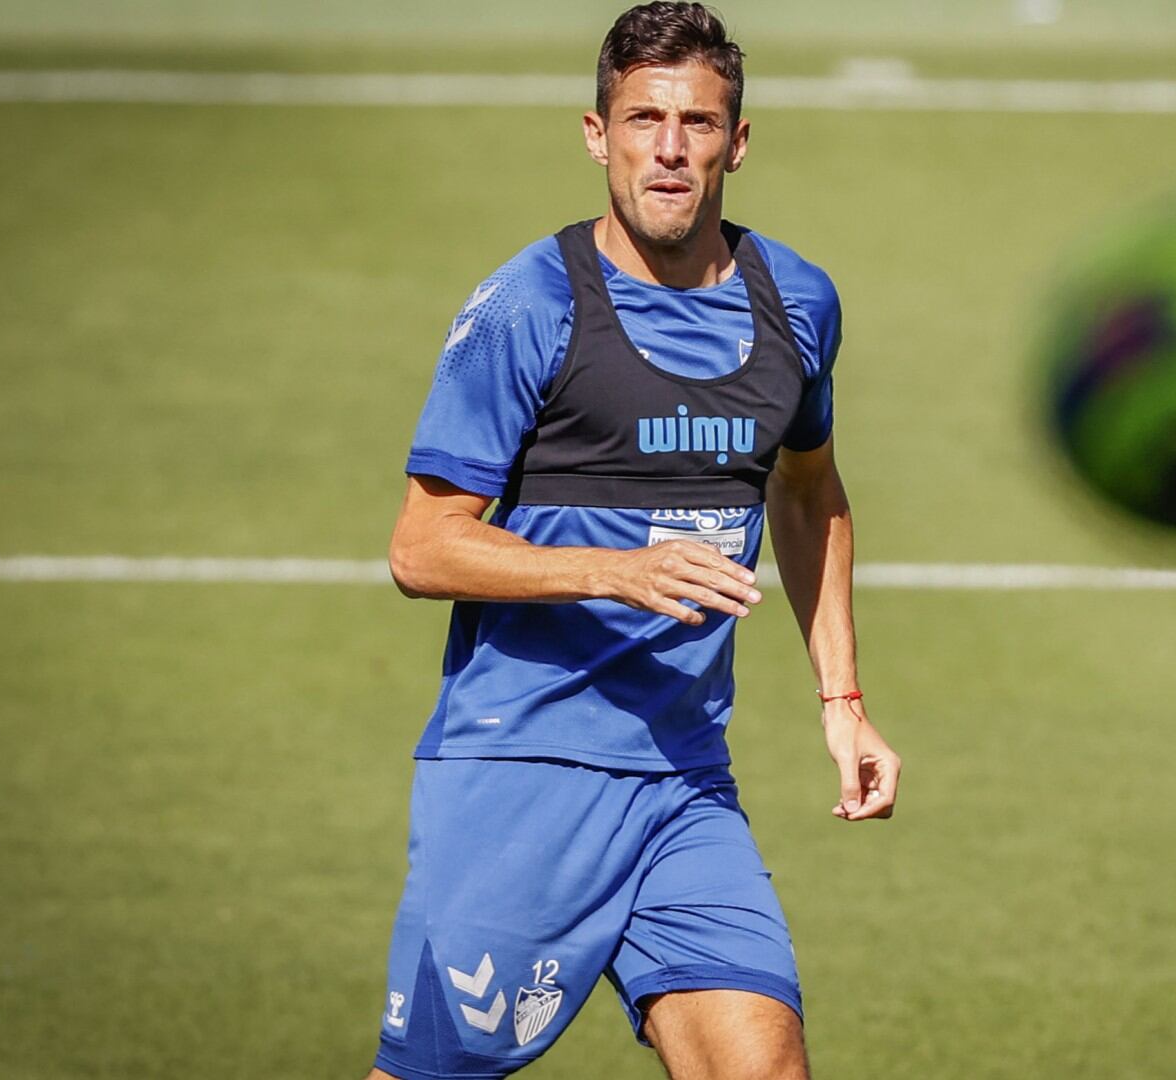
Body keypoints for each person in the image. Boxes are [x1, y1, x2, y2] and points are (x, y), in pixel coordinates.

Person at [366, 5, 900, 1078]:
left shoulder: (797, 303)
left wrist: (841, 701)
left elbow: (808, 489)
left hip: (683, 782)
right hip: (522, 771)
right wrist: (615, 569)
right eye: (642, 117)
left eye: (697, 123)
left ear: (736, 142)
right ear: (595, 132)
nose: (669, 147)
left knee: (765, 1065)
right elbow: (422, 548)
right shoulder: (530, 306)